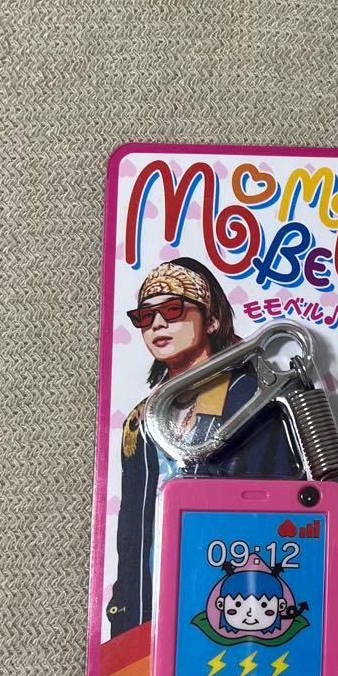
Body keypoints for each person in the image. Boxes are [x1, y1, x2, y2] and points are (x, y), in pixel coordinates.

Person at [107, 257, 297, 637]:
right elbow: (131, 530)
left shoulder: (252, 401)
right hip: (144, 610)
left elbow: (280, 513)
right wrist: (122, 609)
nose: (157, 324)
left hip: (236, 606)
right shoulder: (140, 420)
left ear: (211, 320)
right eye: (145, 316)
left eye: (172, 310)